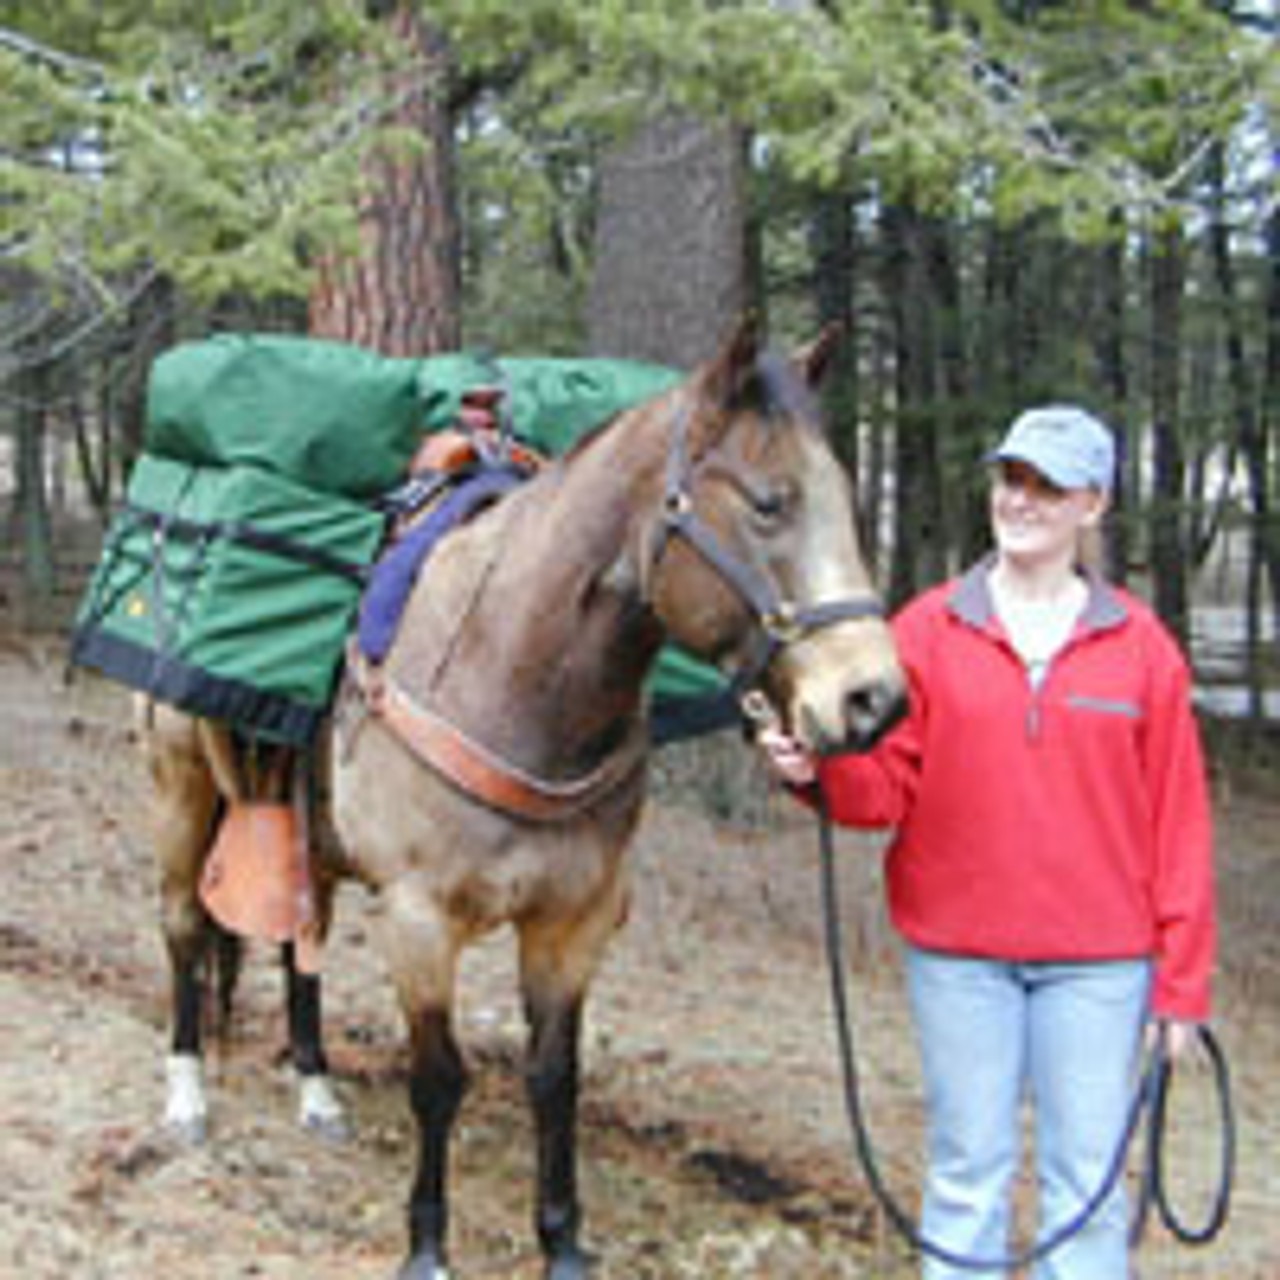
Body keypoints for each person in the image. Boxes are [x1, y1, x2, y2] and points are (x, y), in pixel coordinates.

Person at [758, 405, 1216, 1280]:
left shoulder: (1142, 650)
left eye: (1048, 486)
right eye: (1013, 479)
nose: (1023, 500)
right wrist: (812, 771)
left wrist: (1181, 989)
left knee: (1087, 1187)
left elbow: (1179, 826)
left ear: (1093, 504)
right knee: (967, 1175)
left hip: (1102, 967)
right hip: (959, 959)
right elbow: (882, 792)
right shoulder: (926, 630)